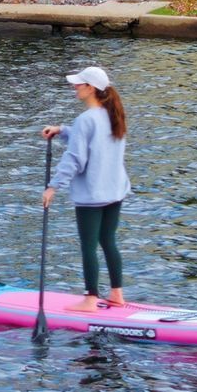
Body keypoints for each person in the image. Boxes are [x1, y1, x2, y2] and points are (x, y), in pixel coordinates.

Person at [42, 65, 132, 313]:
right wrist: (62, 130)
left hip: (92, 194)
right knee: (108, 241)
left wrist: (53, 187)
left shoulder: (85, 119)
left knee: (88, 245)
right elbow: (92, 139)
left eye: (79, 84)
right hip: (115, 191)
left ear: (91, 88)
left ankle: (90, 299)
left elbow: (75, 159)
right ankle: (116, 294)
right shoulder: (113, 115)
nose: (75, 87)